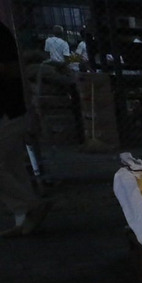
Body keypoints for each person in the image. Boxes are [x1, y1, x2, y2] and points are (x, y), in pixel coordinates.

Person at [1, 20, 51, 237]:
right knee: (12, 165)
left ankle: (31, 205)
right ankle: (23, 219)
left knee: (8, 164)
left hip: (8, 109)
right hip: (11, 110)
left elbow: (8, 69)